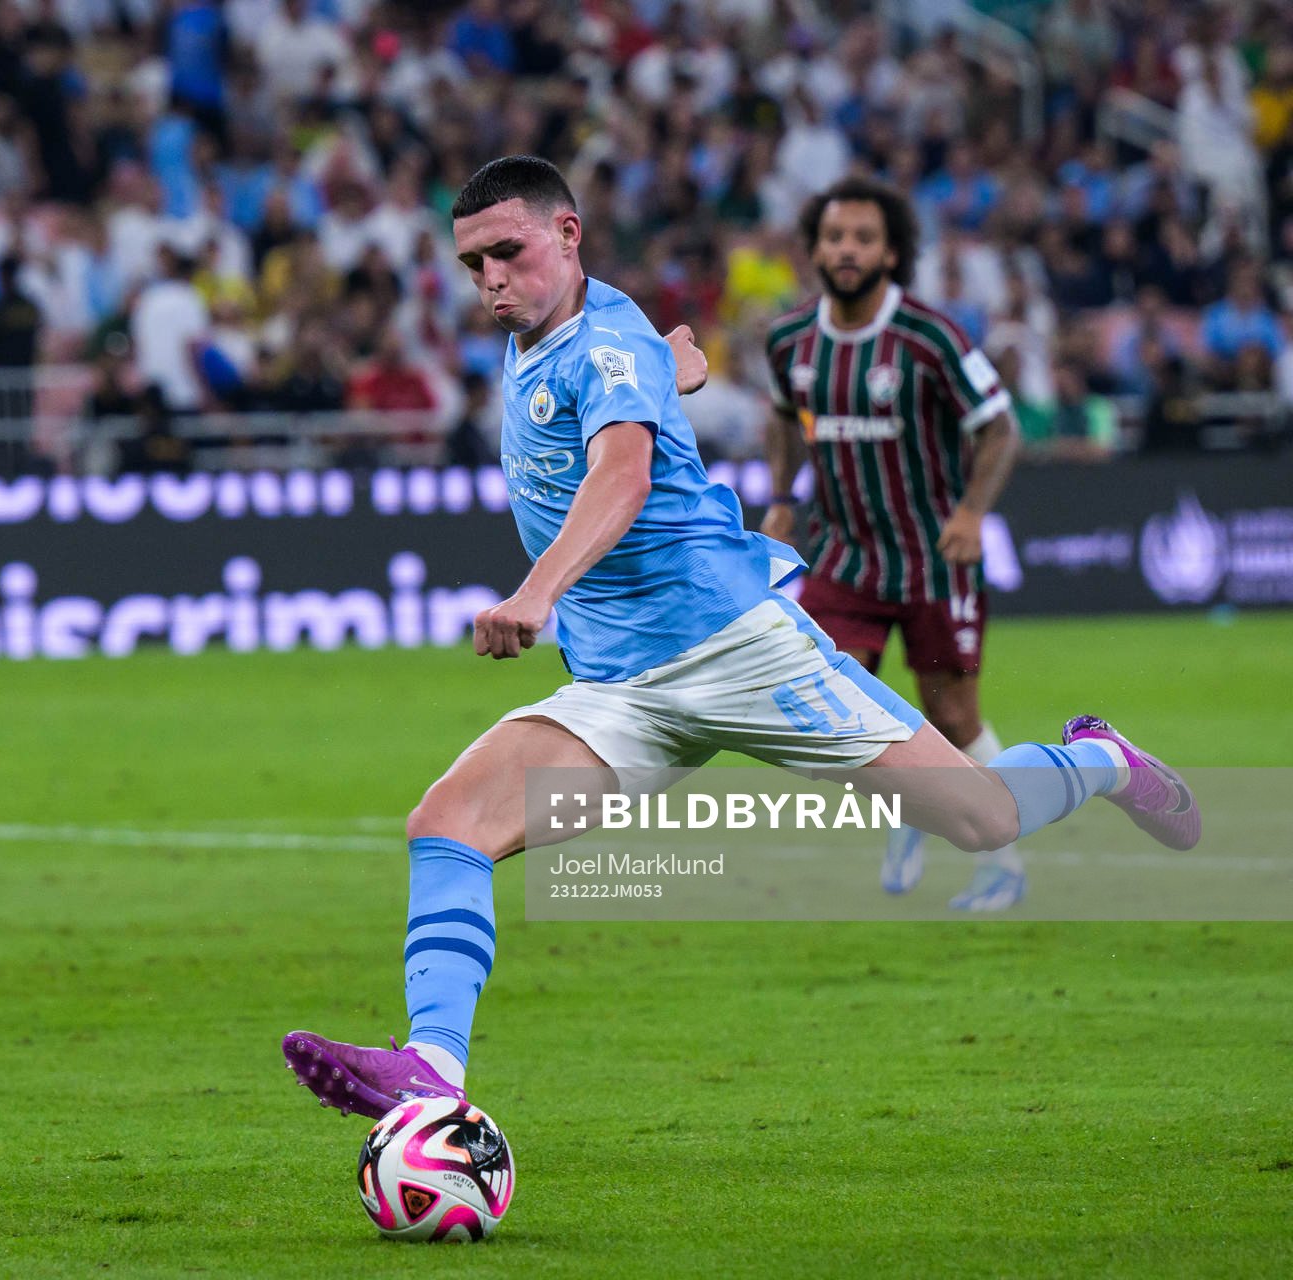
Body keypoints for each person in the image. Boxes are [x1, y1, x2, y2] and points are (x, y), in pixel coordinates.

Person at [279, 156, 1198, 1119]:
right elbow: (635, 382)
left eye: (508, 252)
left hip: (737, 650)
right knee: (447, 822)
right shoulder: (576, 337)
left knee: (982, 820)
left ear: (568, 234)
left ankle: (1103, 760)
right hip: (622, 689)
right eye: (474, 264)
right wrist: (670, 370)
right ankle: (433, 1068)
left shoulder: (606, 344)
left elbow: (623, 476)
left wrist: (537, 592)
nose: (491, 280)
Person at [759, 177, 1027, 912]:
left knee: (955, 719)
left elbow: (1000, 427)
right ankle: (914, 805)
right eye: (834, 237)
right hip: (843, 559)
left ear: (891, 252)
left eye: (864, 238)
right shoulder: (789, 341)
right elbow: (782, 417)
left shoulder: (929, 337)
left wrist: (971, 513)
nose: (847, 250)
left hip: (936, 560)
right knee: (824, 717)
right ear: (815, 249)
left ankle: (1002, 865)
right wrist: (780, 498)